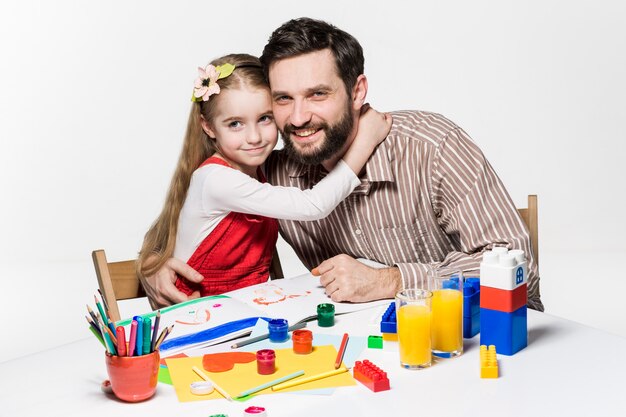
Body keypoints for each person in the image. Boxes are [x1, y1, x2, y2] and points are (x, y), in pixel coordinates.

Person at [145, 19, 543, 311]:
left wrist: (390, 280)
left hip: (477, 337)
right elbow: (198, 216)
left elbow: (518, 266)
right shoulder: (274, 170)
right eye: (283, 99)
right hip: (366, 345)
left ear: (357, 91)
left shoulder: (430, 146)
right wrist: (154, 265)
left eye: (317, 94)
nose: (298, 118)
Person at [137, 53, 391, 305]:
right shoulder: (216, 180)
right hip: (199, 314)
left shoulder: (257, 169)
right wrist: (365, 141)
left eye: (264, 118)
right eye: (235, 124)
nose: (255, 137)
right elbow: (313, 205)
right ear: (208, 126)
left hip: (243, 308)